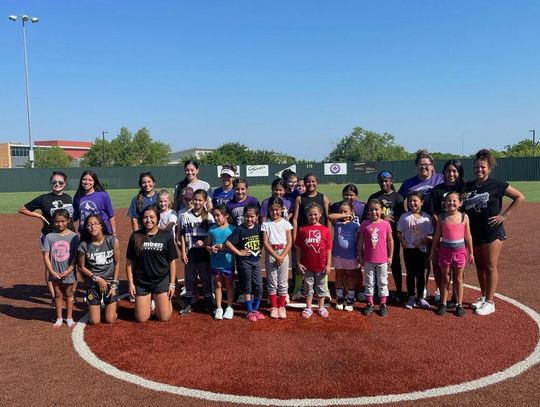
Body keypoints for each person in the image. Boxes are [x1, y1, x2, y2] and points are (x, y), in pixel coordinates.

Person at [463, 149, 525, 315]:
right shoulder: (467, 186)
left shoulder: (497, 184)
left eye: (483, 167)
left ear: (489, 168)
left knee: (490, 266)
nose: (479, 170)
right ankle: (483, 296)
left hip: (492, 231)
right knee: (480, 266)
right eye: (476, 167)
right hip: (474, 231)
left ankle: (490, 302)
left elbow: (520, 197)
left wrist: (504, 215)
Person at [18, 171, 75, 307]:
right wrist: (39, 216)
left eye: (60, 182)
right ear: (51, 183)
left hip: (68, 236)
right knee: (50, 265)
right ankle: (55, 297)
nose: (57, 184)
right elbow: (22, 209)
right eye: (54, 182)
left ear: (65, 184)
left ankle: (69, 294)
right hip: (49, 236)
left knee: (70, 263)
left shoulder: (68, 197)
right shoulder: (44, 198)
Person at [398, 150, 443, 299]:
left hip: (438, 224)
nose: (424, 167)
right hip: (419, 227)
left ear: (432, 166)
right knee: (423, 260)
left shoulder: (440, 179)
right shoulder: (409, 183)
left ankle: (439, 288)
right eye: (420, 165)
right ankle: (422, 288)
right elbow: (399, 201)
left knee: (437, 258)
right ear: (416, 167)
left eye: (427, 165)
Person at [126, 204, 178, 323]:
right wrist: (131, 283)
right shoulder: (136, 236)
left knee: (164, 317)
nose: (148, 220)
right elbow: (129, 262)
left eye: (152, 217)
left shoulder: (166, 235)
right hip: (142, 281)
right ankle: (148, 301)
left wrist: (172, 284)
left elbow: (172, 261)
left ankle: (163, 301)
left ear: (157, 218)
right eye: (145, 217)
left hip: (160, 280)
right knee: (141, 318)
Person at [429, 192, 474, 317]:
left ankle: (459, 304)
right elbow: (437, 235)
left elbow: (468, 236)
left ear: (460, 203)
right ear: (445, 203)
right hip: (445, 252)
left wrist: (471, 252)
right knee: (445, 278)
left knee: (458, 279)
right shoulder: (442, 217)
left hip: (460, 252)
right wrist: (433, 251)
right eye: (449, 200)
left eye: (454, 201)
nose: (451, 203)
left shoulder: (464, 217)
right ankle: (443, 303)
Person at [430, 159, 466, 305]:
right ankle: (442, 293)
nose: (451, 174)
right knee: (443, 268)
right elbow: (434, 212)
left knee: (458, 270)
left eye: (454, 171)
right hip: (443, 234)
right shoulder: (437, 190)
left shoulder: (464, 188)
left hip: (459, 236)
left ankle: (456, 299)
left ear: (459, 172)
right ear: (444, 172)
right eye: (448, 171)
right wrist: (441, 229)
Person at [365, 171, 404, 302]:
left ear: (391, 181)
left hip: (391, 235)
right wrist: (382, 217)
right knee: (375, 263)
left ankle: (399, 291)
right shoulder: (373, 197)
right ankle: (375, 291)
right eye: (381, 181)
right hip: (376, 237)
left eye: (386, 181)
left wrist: (389, 220)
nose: (384, 183)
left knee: (395, 263)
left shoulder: (398, 197)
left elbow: (401, 216)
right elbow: (367, 215)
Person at [292, 173, 331, 301]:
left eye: (313, 181)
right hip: (304, 235)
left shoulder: (323, 198)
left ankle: (325, 290)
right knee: (301, 263)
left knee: (322, 262)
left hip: (320, 236)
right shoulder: (299, 198)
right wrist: (294, 235)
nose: (310, 184)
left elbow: (328, 217)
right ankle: (297, 289)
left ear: (317, 182)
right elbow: (295, 219)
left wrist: (328, 234)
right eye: (308, 182)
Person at [77, 214, 120, 325]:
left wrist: (114, 285)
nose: (93, 227)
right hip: (93, 284)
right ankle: (97, 306)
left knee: (110, 319)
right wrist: (97, 278)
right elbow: (81, 267)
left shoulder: (112, 240)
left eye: (96, 224)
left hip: (110, 283)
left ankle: (114, 305)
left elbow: (117, 262)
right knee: (94, 321)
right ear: (86, 228)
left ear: (101, 226)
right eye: (89, 225)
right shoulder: (84, 245)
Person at [225, 204, 265, 322]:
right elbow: (228, 243)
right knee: (247, 286)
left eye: (252, 217)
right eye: (247, 216)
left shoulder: (258, 228)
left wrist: (259, 251)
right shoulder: (240, 229)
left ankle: (255, 309)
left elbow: (262, 240)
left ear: (257, 217)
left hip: (256, 261)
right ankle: (249, 311)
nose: (249, 219)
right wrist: (238, 252)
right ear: (243, 216)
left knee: (259, 286)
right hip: (245, 263)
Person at [178, 189, 215, 316]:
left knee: (205, 278)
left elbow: (212, 235)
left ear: (205, 201)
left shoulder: (209, 217)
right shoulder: (185, 216)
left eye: (200, 200)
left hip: (204, 253)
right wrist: (183, 252)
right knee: (190, 278)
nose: (197, 202)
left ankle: (209, 302)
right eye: (195, 199)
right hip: (190, 253)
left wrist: (204, 243)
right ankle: (188, 302)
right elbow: (182, 236)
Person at [42, 209, 79, 329]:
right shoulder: (49, 236)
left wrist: (69, 269)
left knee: (68, 294)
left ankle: (69, 317)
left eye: (63, 221)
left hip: (68, 271)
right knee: (57, 295)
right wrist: (52, 271)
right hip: (55, 272)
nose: (60, 224)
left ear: (68, 221)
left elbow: (75, 256)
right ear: (53, 222)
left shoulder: (74, 237)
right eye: (57, 221)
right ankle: (59, 317)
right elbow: (46, 256)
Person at [397, 191, 434, 310]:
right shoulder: (404, 217)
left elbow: (431, 235)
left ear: (422, 202)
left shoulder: (427, 218)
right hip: (409, 250)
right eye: (409, 201)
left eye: (415, 201)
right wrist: (403, 242)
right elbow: (398, 233)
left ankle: (420, 297)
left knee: (421, 274)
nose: (412, 203)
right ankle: (411, 296)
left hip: (422, 250)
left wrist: (423, 240)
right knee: (410, 274)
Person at [295, 202, 332, 319]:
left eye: (315, 214)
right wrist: (298, 263)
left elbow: (328, 249)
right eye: (310, 215)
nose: (313, 217)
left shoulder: (325, 230)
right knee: (308, 287)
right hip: (307, 266)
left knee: (321, 288)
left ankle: (321, 307)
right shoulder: (302, 229)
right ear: (307, 215)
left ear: (320, 214)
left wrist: (328, 264)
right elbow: (299, 248)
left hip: (321, 265)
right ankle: (309, 307)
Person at [358, 199, 393, 317]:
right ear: (368, 211)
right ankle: (370, 303)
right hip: (368, 259)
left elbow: (390, 240)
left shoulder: (386, 224)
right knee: (369, 282)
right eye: (371, 210)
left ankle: (383, 304)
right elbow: (360, 242)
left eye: (376, 209)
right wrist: (360, 256)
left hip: (382, 259)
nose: (374, 212)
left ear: (381, 210)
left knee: (382, 282)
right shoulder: (364, 224)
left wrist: (390, 256)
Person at [261, 197, 293, 319]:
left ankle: (281, 306)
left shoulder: (286, 223)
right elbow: (265, 242)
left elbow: (289, 242)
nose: (275, 212)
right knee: (272, 281)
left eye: (277, 209)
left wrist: (281, 256)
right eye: (272, 210)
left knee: (283, 282)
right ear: (268, 210)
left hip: (283, 252)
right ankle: (273, 307)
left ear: (282, 209)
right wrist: (276, 256)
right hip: (271, 253)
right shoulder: (266, 224)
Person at [207, 205, 236, 320]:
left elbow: (235, 246)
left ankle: (229, 306)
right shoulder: (212, 230)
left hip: (228, 262)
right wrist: (210, 249)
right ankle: (219, 308)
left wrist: (224, 247)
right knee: (217, 284)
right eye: (214, 216)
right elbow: (207, 245)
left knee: (229, 284)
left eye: (218, 215)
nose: (216, 218)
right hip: (215, 262)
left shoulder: (232, 229)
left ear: (226, 215)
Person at [331, 200, 359, 312]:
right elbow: (330, 216)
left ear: (352, 211)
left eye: (346, 211)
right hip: (338, 255)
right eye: (341, 212)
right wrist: (344, 215)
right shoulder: (337, 223)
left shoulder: (355, 225)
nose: (343, 214)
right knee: (339, 275)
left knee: (350, 276)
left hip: (351, 256)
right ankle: (340, 298)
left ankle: (350, 299)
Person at [73, 170, 116, 235]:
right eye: (84, 179)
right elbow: (75, 216)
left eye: (90, 180)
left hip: (101, 232)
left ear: (94, 182)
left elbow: (110, 215)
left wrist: (114, 232)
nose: (87, 182)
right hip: (85, 232)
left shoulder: (102, 195)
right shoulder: (77, 197)